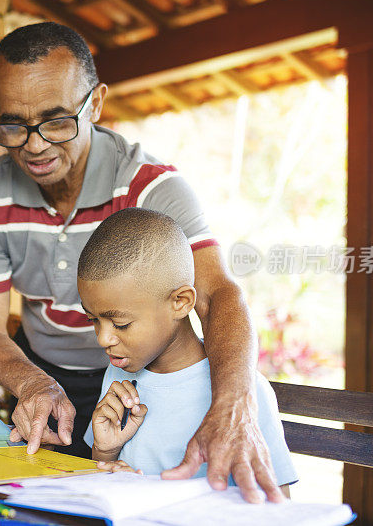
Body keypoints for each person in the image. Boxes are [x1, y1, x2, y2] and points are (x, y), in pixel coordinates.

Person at [0, 22, 282, 502]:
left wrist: (234, 405)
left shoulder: (152, 188)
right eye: (12, 125)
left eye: (57, 120)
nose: (35, 144)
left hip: (140, 381)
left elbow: (217, 296)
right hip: (43, 379)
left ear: (96, 103)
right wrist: (33, 384)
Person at [80, 208, 297, 498]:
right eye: (93, 320)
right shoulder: (117, 376)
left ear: (181, 303)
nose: (103, 338)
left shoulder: (243, 394)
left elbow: (277, 504)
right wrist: (104, 454)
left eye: (121, 323)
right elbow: (100, 484)